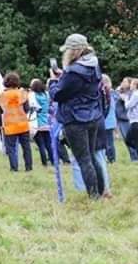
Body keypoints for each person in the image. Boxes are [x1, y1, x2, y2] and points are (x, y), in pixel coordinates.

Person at [49, 33, 106, 199]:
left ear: (74, 51)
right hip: (93, 116)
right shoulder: (94, 65)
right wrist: (63, 76)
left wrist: (53, 82)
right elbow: (78, 87)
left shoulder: (73, 72)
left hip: (75, 119)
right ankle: (101, 192)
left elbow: (58, 94)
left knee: (83, 159)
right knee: (92, 156)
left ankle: (94, 196)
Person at [0, 72, 32, 172]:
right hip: (23, 124)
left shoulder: (2, 95)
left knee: (11, 148)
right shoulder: (22, 93)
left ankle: (14, 168)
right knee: (26, 147)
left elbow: (0, 110)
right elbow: (27, 109)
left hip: (10, 125)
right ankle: (28, 167)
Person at [30, 79, 53, 167]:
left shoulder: (33, 95)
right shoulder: (46, 94)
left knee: (41, 144)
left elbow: (33, 106)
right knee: (48, 143)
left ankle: (44, 162)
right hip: (46, 120)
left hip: (37, 122)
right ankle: (53, 160)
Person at [114, 77, 138, 162]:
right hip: (120, 119)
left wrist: (118, 92)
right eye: (122, 81)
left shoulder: (131, 93)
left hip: (126, 119)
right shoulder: (121, 92)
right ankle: (135, 157)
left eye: (124, 81)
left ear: (129, 84)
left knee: (129, 139)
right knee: (126, 140)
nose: (122, 83)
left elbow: (124, 100)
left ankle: (136, 158)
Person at [122, 78, 138, 158]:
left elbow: (128, 106)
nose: (130, 85)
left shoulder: (136, 94)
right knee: (129, 141)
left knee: (134, 142)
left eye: (132, 84)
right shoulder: (136, 93)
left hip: (136, 122)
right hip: (135, 121)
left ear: (135, 86)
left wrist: (125, 98)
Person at [101, 75, 117, 163]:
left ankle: (111, 158)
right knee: (107, 141)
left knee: (109, 141)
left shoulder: (109, 93)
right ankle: (109, 157)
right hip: (108, 120)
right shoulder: (111, 92)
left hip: (108, 121)